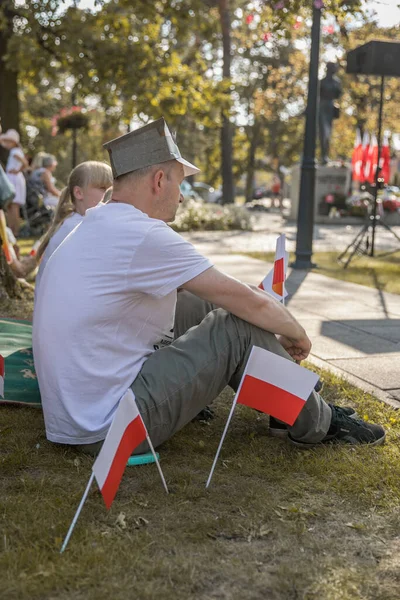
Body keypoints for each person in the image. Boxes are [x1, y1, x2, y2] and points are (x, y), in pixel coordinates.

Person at [32, 118, 385, 457]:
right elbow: (247, 301)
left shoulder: (96, 222)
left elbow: (219, 292)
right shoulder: (142, 234)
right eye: (179, 183)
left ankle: (289, 402)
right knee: (236, 326)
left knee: (208, 306)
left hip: (79, 412)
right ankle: (316, 423)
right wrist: (296, 332)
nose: (182, 197)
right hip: (108, 427)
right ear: (158, 180)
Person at [35, 161, 113, 293]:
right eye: (103, 188)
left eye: (112, 189)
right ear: (79, 193)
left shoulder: (73, 221)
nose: (111, 195)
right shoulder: (78, 227)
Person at [0, 129, 28, 236]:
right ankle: (13, 231)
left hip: (14, 179)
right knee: (12, 207)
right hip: (15, 178)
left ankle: (14, 231)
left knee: (13, 206)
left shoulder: (15, 151)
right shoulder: (15, 150)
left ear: (13, 142)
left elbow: (24, 163)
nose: (6, 144)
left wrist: (18, 170)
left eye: (8, 141)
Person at [319, 62, 342, 165]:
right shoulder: (322, 82)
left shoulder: (337, 82)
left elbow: (338, 94)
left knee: (328, 133)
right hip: (322, 107)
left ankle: (325, 155)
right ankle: (323, 155)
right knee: (323, 132)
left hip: (330, 107)